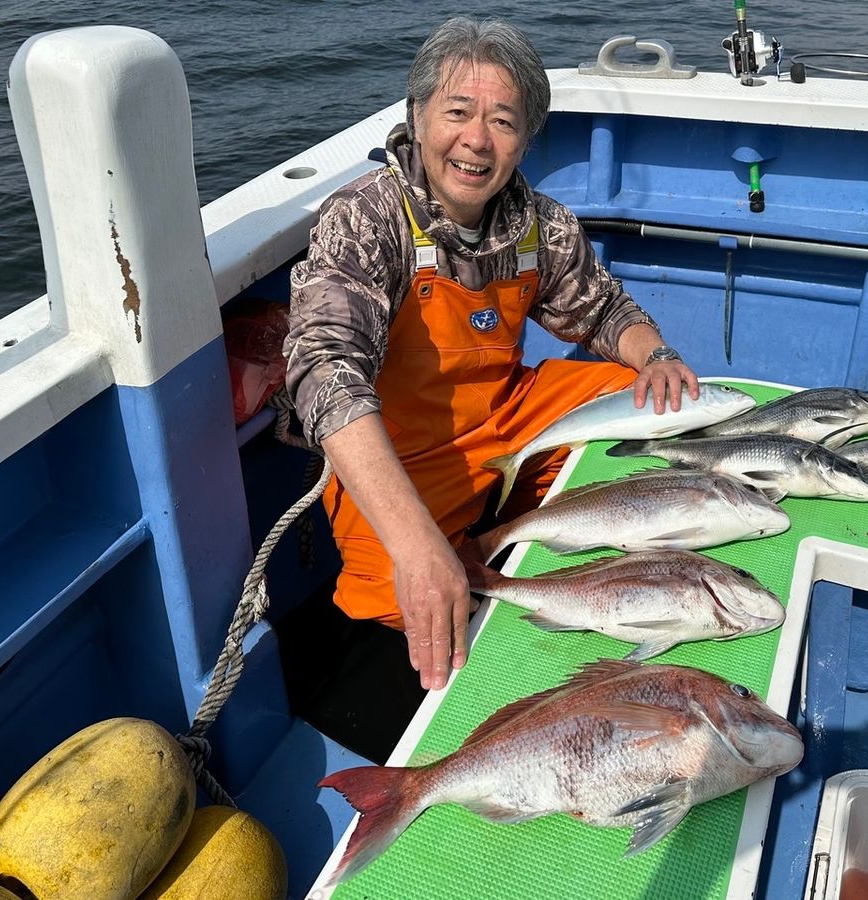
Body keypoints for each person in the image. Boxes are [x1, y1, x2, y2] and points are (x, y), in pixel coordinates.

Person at [284, 16, 698, 693]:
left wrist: (657, 355)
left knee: (640, 405)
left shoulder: (538, 225)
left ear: (526, 139)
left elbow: (601, 309)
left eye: (503, 121)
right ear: (417, 118)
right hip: (399, 450)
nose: (476, 140)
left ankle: (534, 534)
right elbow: (324, 368)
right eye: (457, 112)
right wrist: (416, 546)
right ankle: (451, 574)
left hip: (501, 418)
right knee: (393, 597)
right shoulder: (366, 218)